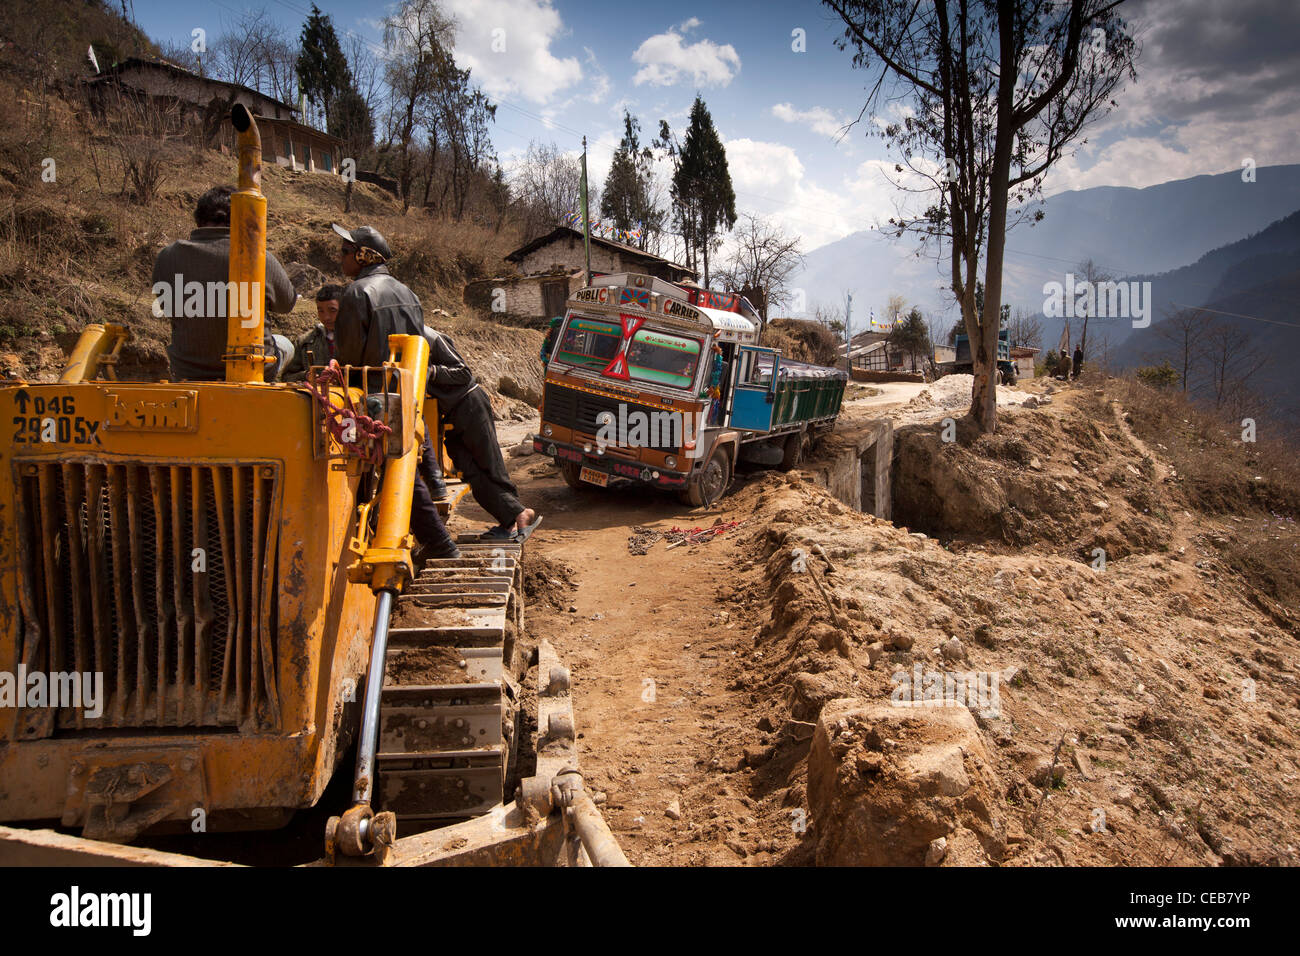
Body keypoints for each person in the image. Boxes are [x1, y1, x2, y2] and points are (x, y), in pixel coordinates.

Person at [331, 222, 460, 562]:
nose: (340, 259)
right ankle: (433, 538)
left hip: (370, 399)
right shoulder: (409, 294)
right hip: (405, 391)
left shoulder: (356, 294)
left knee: (390, 471)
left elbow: (347, 358)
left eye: (345, 252)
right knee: (401, 466)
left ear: (362, 256)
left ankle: (439, 544)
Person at [152, 184, 296, 381]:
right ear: (243, 218)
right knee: (286, 344)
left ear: (199, 219)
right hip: (253, 369)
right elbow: (286, 304)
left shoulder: (166, 257)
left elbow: (167, 308)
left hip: (187, 371)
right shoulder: (259, 257)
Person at [423, 323, 541, 541]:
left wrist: (429, 371)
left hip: (469, 403)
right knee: (467, 469)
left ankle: (518, 517)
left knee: (490, 465)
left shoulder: (430, 337)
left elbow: (462, 372)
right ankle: (510, 518)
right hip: (451, 413)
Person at [282, 284, 341, 382]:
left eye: (332, 310)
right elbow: (286, 377)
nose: (326, 317)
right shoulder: (305, 342)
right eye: (320, 311)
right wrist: (306, 376)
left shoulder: (356, 339)